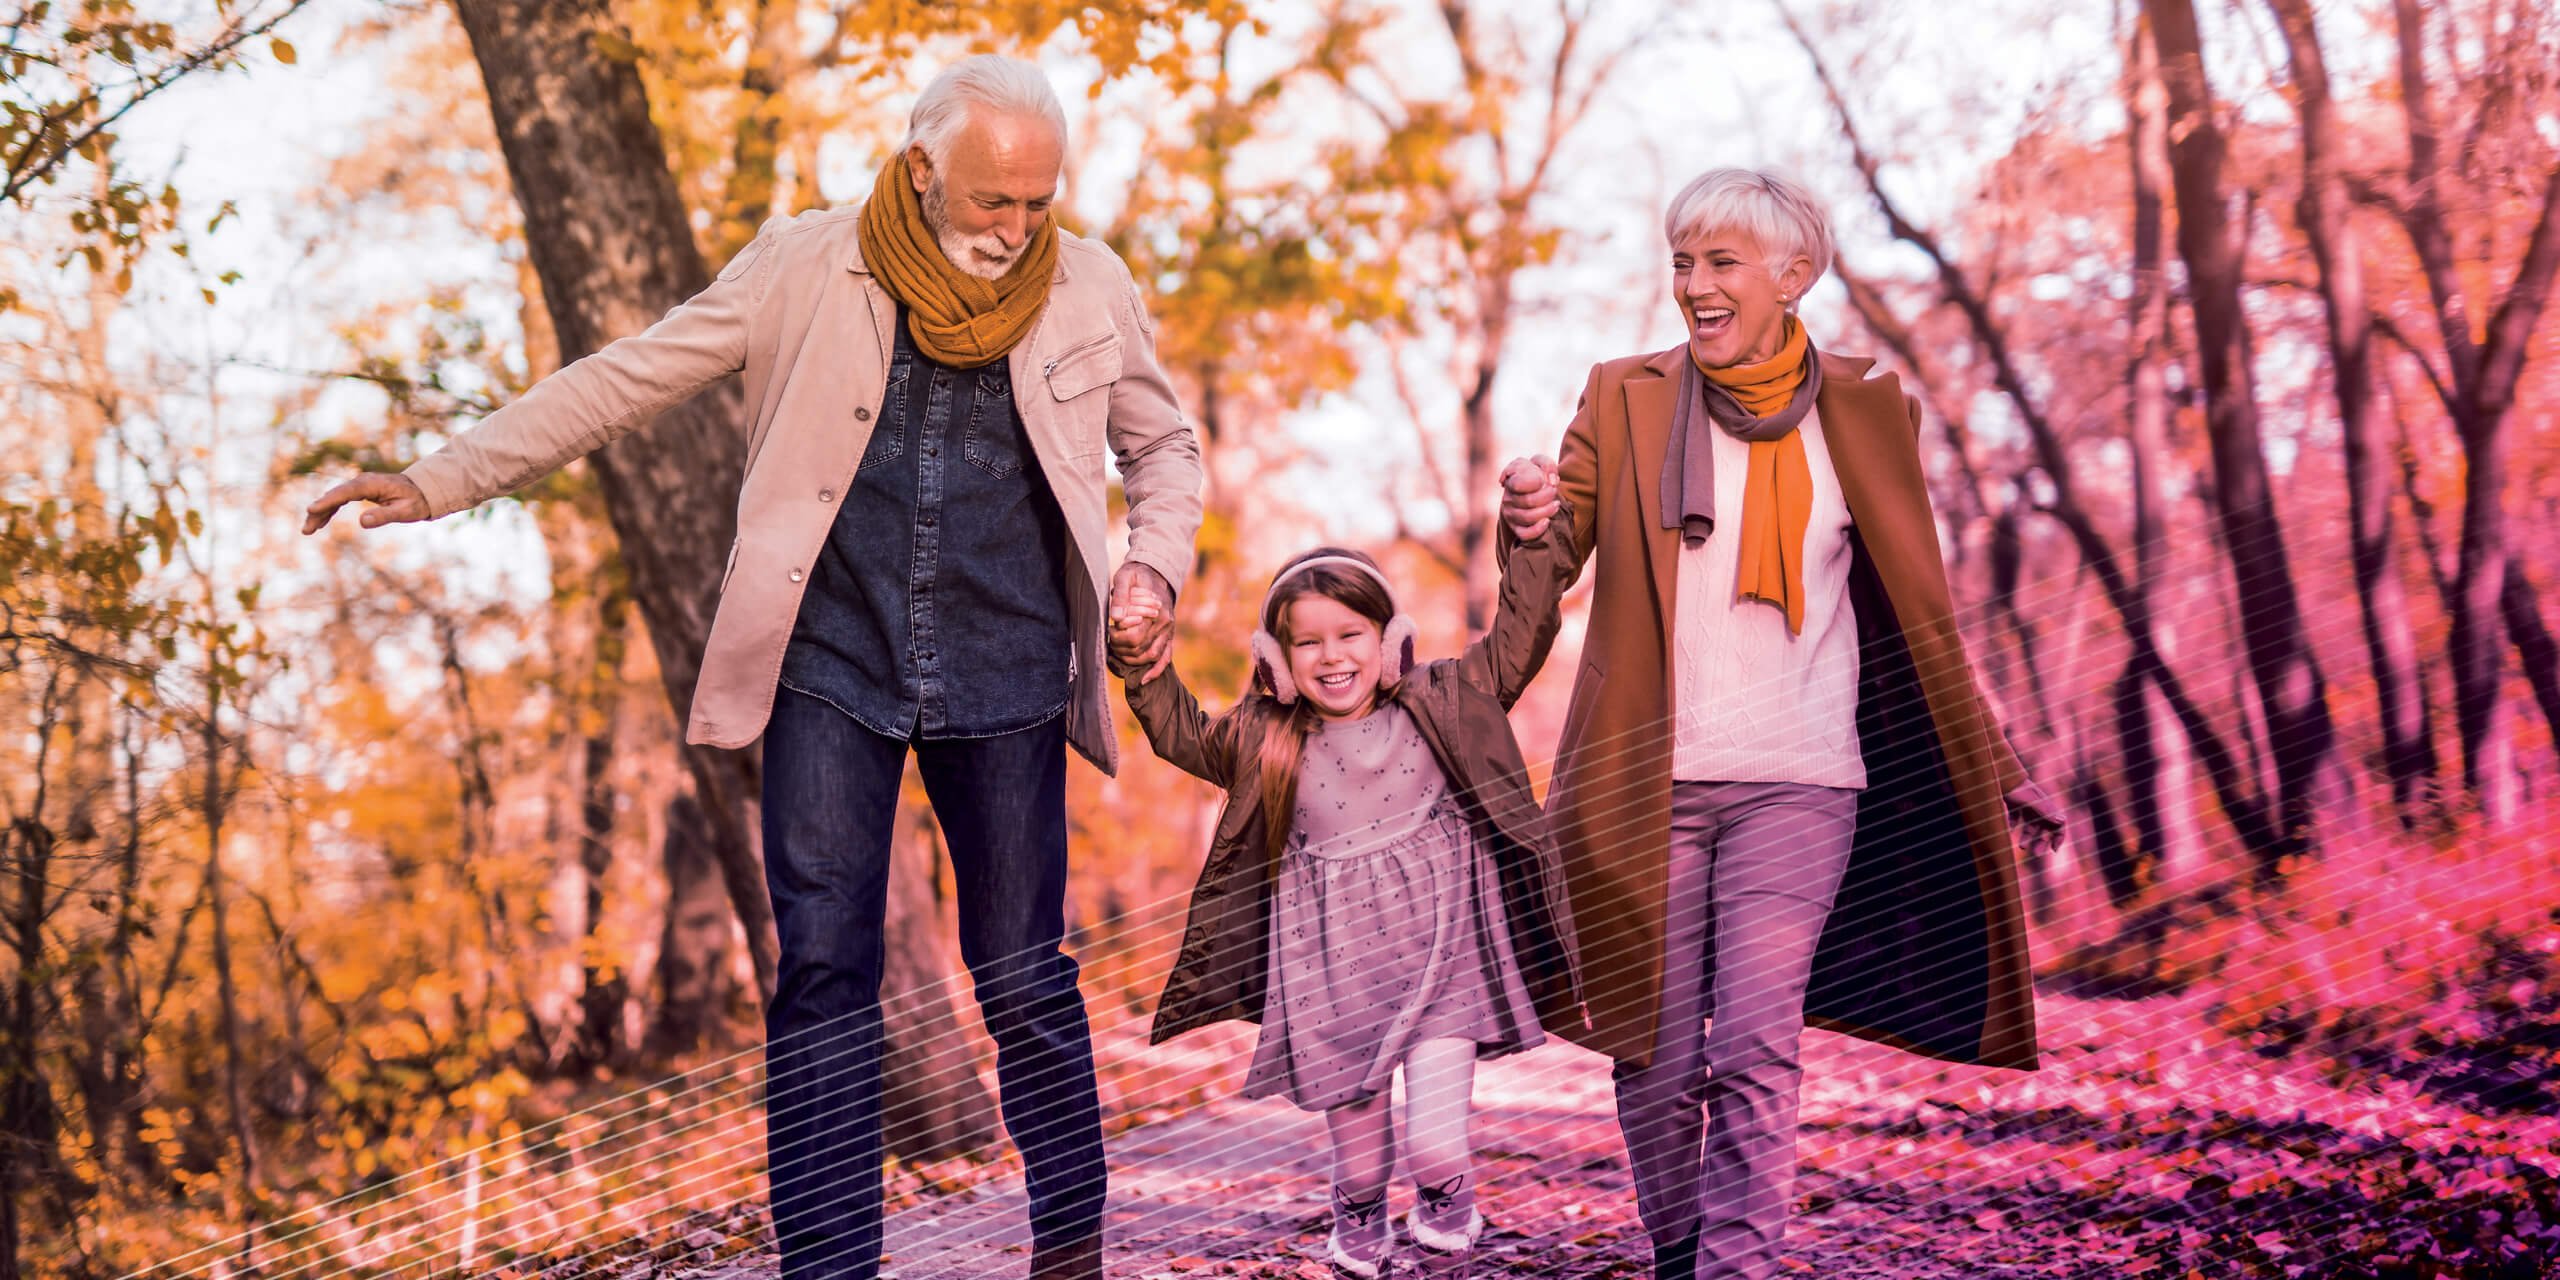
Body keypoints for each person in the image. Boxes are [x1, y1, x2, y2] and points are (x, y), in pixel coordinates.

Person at [301, 55, 1205, 1280]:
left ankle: (1071, 1251)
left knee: (1023, 972)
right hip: (831, 663)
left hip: (1005, 674)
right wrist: (436, 480)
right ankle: (828, 1266)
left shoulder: (1088, 284)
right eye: (996, 201)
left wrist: (1151, 568)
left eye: (1039, 203)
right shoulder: (804, 263)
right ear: (923, 168)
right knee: (824, 971)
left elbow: (1163, 448)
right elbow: (625, 376)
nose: (1019, 228)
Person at [1493, 167, 2066, 1280]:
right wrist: (1527, 522)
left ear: (1794, 276)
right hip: (1643, 786)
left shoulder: (1868, 410)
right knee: (1653, 1055)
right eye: (1682, 262)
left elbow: (1921, 608)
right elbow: (1550, 564)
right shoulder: (1623, 395)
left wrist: (1998, 761)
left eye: (1720, 263)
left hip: (1800, 781)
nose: (1693, 285)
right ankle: (1678, 1251)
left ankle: (1737, 1265)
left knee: (1757, 1041)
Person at [1105, 483, 1589, 1280]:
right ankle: (1357, 1214)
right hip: (1332, 978)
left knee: (1437, 1148)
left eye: (1350, 635)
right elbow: (1183, 737)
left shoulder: (1445, 700)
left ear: (1388, 637)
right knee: (1362, 1170)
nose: (1332, 658)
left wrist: (1535, 541)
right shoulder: (1266, 736)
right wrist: (1145, 668)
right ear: (1277, 661)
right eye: (1308, 644)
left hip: (1445, 961)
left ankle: (1446, 1202)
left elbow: (1520, 634)